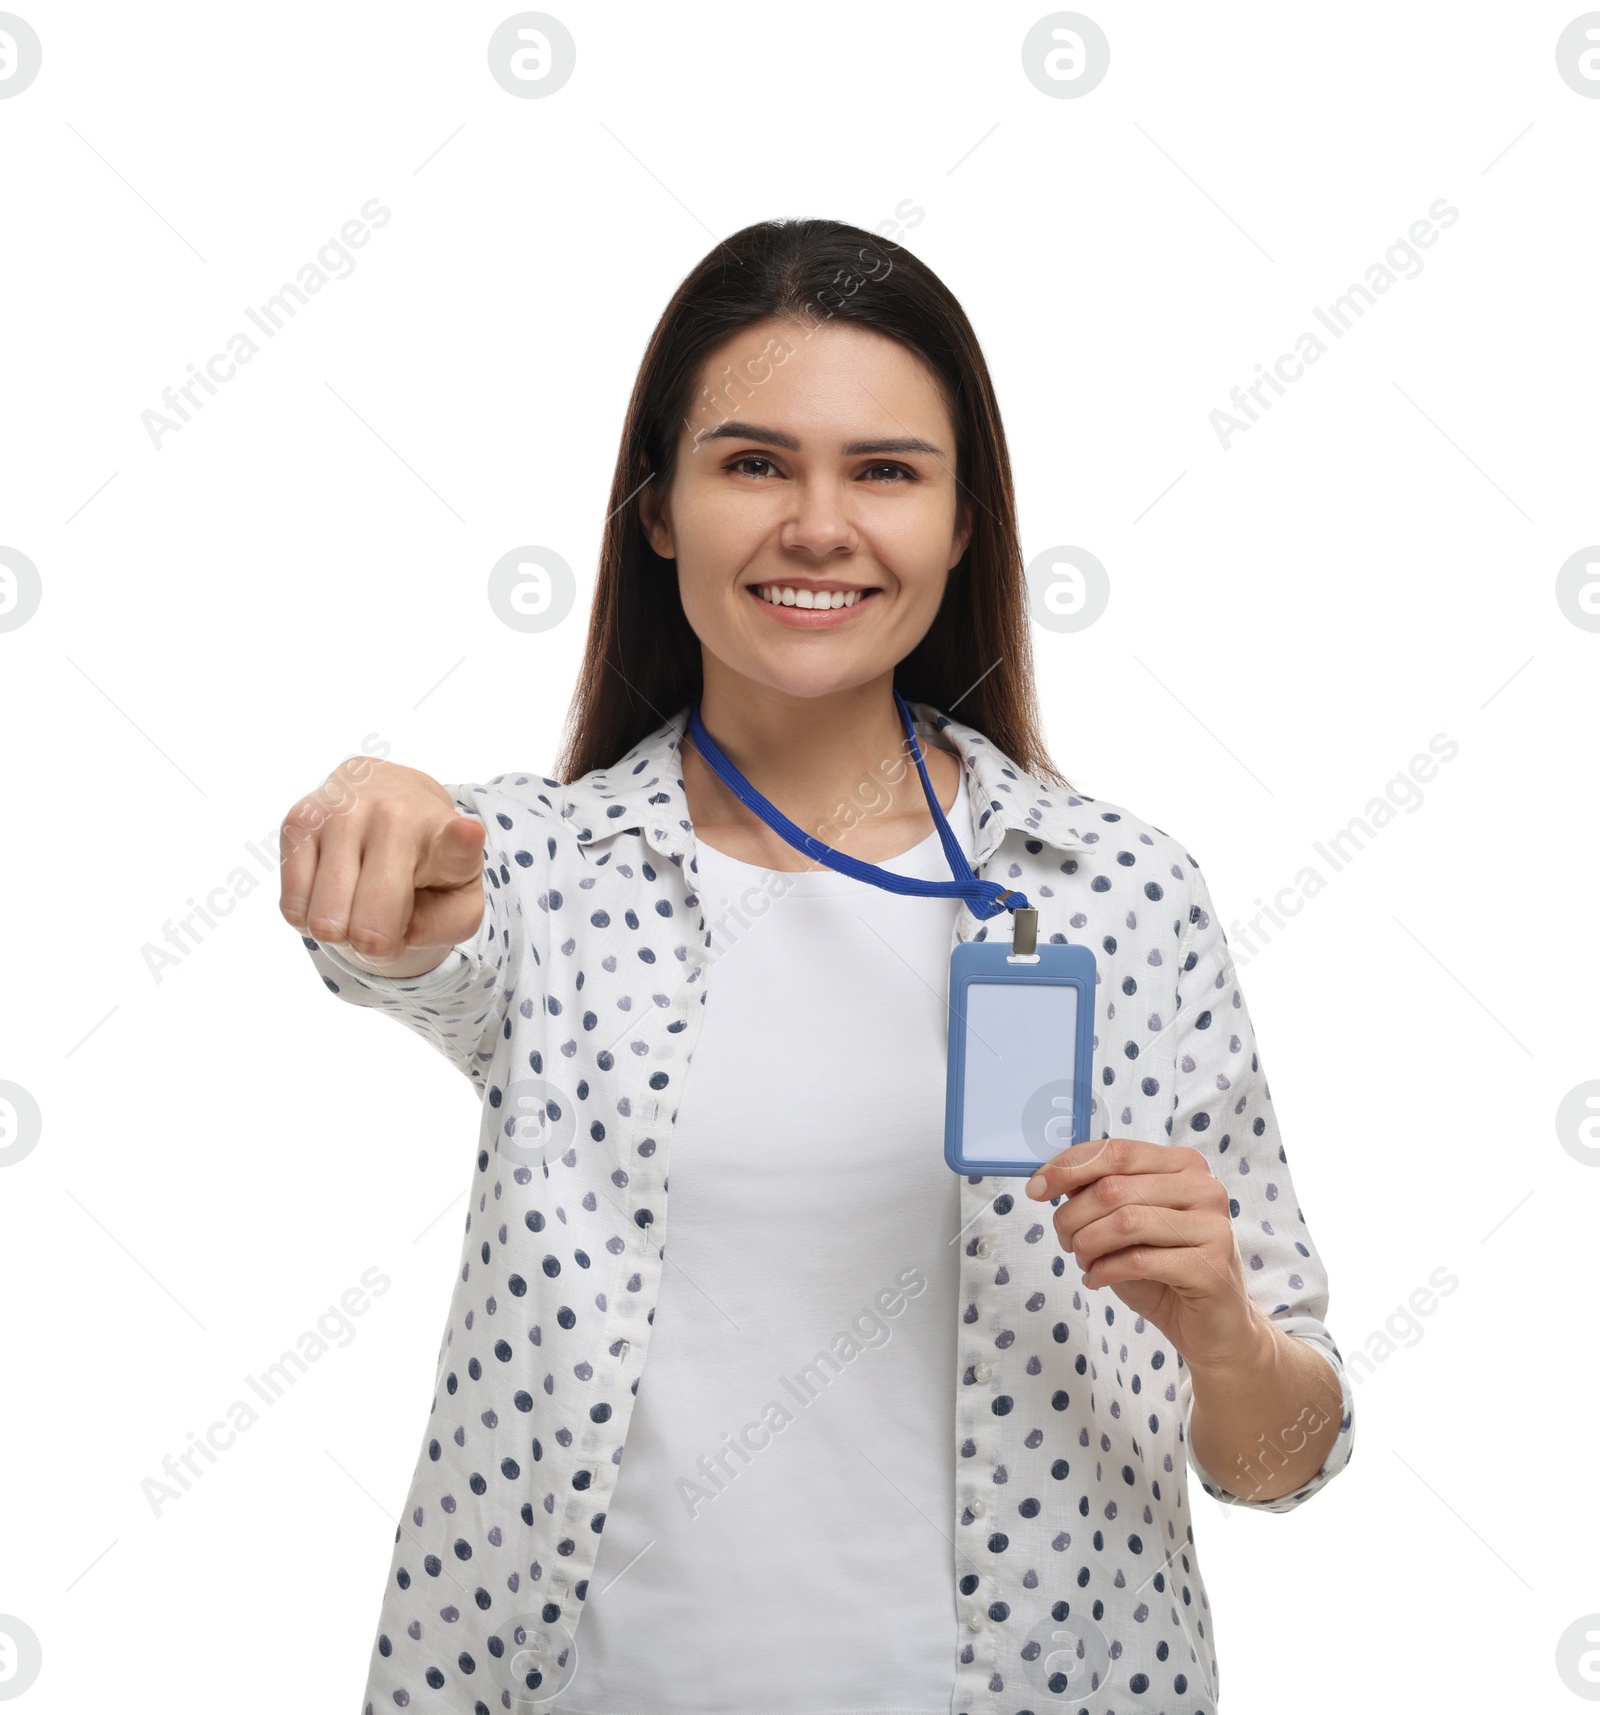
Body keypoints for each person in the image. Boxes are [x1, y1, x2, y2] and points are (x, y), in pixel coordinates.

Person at [280, 217, 1354, 1715]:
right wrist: (381, 833)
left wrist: (1226, 1337)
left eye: (887, 471)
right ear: (658, 512)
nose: (819, 524)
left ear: (965, 524)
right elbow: (410, 937)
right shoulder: (543, 870)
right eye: (754, 463)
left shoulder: (1121, 893)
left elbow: (1283, 1466)